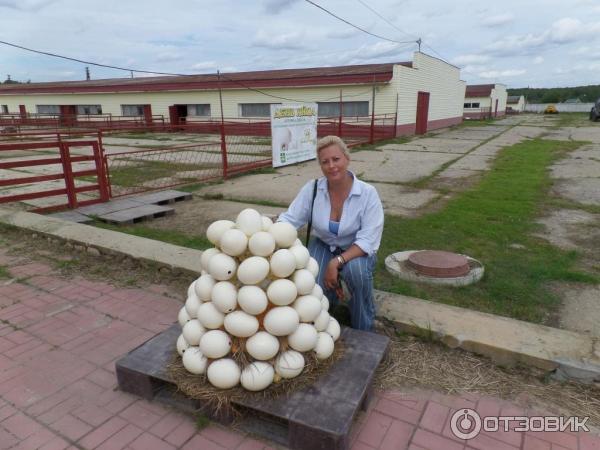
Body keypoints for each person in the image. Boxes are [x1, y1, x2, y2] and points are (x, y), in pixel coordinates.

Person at [278, 135, 384, 331]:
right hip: (324, 244)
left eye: (336, 159)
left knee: (357, 273)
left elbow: (368, 240)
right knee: (310, 282)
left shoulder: (368, 194)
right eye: (325, 162)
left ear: (347, 159)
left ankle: (363, 325)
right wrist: (270, 234)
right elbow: (290, 219)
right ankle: (322, 316)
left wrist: (335, 263)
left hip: (356, 249)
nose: (331, 166)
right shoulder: (313, 190)